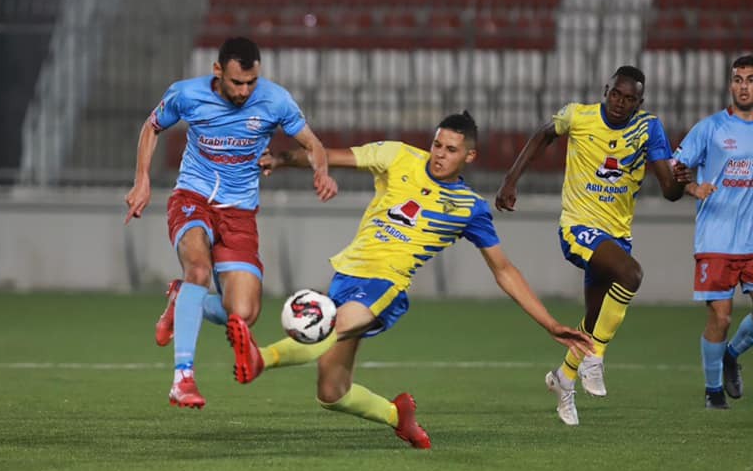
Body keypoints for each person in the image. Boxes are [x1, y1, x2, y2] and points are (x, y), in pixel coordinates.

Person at [224, 112, 594, 449]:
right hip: (347, 275)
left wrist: (549, 323)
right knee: (332, 393)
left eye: (451, 149)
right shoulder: (398, 156)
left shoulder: (469, 208)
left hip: (386, 285)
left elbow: (504, 270)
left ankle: (260, 358)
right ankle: (397, 415)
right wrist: (282, 159)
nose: (439, 154)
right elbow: (330, 156)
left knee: (329, 328)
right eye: (437, 144)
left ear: (469, 156)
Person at [124, 37, 338, 409]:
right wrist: (142, 179)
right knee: (198, 270)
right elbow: (151, 127)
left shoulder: (275, 100)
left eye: (251, 82)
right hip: (192, 198)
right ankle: (182, 379)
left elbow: (313, 144)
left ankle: (181, 299)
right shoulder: (187, 94)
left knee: (243, 314)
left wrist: (321, 171)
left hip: (239, 213)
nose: (244, 91)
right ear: (218, 71)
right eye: (237, 82)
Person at [495, 66, 687, 425]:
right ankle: (595, 358)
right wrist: (510, 179)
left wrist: (681, 181)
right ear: (605, 90)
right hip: (578, 227)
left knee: (595, 319)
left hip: (617, 236)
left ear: (639, 102)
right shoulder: (578, 116)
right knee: (631, 275)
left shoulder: (648, 128)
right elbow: (543, 135)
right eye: (616, 94)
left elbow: (669, 191)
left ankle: (564, 378)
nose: (620, 102)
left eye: (629, 99)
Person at [672, 54, 753, 410]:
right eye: (738, 80)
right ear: (730, 84)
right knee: (721, 316)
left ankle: (731, 354)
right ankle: (713, 391)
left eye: (750, 80)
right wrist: (694, 187)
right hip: (716, 239)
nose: (743, 87)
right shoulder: (710, 128)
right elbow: (673, 168)